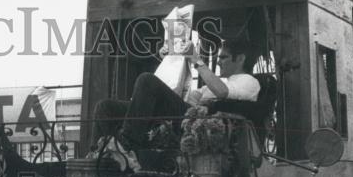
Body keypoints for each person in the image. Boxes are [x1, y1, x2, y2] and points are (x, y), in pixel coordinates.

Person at [94, 37, 262, 151]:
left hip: (202, 125)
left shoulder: (249, 82)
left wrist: (196, 59)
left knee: (146, 80)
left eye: (224, 57)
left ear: (240, 59)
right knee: (105, 107)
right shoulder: (217, 82)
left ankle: (127, 145)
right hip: (186, 116)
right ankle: (103, 153)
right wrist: (171, 61)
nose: (218, 61)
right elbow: (181, 98)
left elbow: (222, 92)